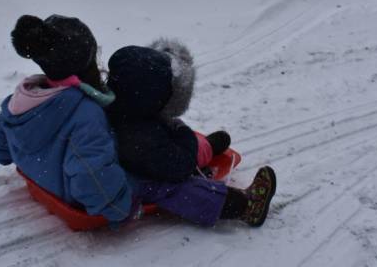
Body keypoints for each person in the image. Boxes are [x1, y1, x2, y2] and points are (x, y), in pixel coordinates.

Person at [107, 41, 277, 227]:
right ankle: (246, 206)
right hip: (142, 177)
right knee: (181, 190)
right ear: (151, 99)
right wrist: (182, 132)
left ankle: (207, 148)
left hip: (140, 162)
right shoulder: (140, 136)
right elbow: (181, 166)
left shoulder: (122, 108)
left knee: (174, 143)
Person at [0, 14, 132, 226]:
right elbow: (91, 177)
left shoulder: (22, 99)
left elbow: (0, 149)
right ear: (87, 60)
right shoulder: (86, 113)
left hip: (38, 179)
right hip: (71, 196)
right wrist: (119, 209)